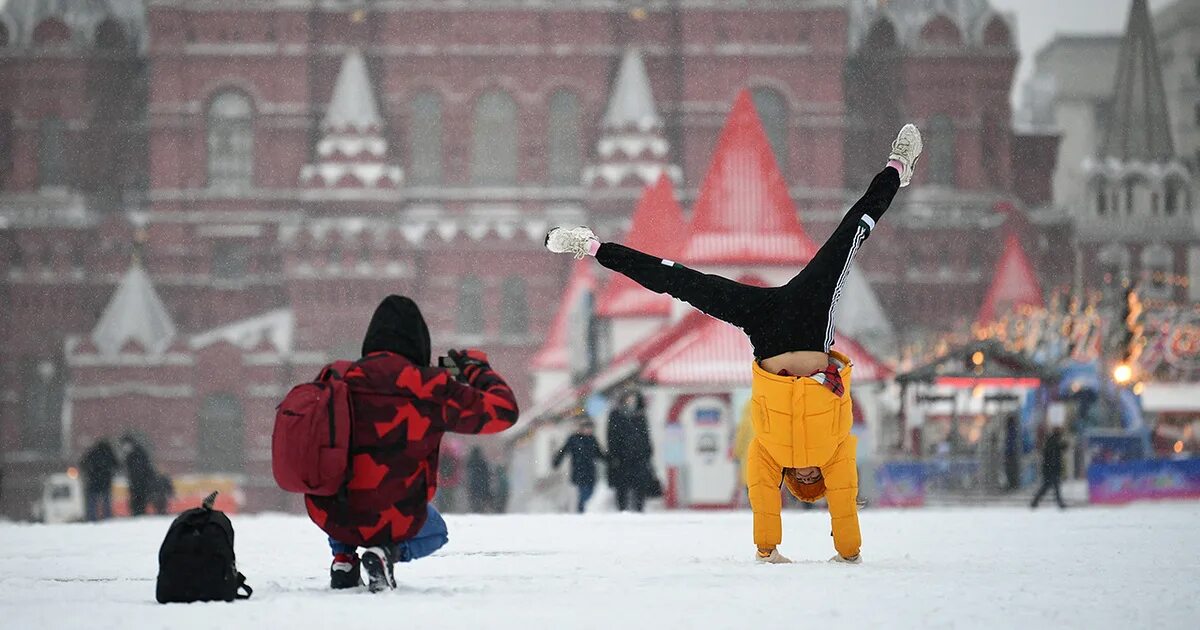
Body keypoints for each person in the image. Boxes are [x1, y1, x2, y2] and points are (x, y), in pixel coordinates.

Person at [545, 124, 922, 564]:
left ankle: (591, 247)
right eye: (809, 476)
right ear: (817, 475)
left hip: (764, 328)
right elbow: (844, 496)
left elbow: (763, 493)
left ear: (793, 480)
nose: (803, 471)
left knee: (681, 281)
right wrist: (848, 551)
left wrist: (768, 549)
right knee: (853, 228)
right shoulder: (835, 453)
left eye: (799, 478)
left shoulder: (770, 454)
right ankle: (897, 166)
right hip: (811, 317)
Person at [306, 295, 520, 592]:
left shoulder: (338, 377)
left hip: (333, 513)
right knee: (435, 532)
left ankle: (343, 557)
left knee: (347, 489)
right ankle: (385, 554)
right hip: (398, 514)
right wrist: (475, 371)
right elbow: (504, 411)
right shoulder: (432, 387)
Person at [606, 390, 654, 512]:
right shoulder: (615, 415)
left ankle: (639, 508)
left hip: (640, 456)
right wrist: (613, 454)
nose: (631, 401)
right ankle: (622, 509)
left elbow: (645, 435)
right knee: (622, 484)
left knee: (640, 483)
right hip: (621, 456)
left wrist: (648, 451)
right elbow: (611, 435)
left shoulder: (641, 415)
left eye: (634, 398)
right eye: (629, 398)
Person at [553, 417, 607, 513]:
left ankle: (584, 509)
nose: (589, 430)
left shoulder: (592, 439)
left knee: (591, 492)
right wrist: (557, 461)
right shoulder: (573, 439)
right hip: (578, 470)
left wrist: (610, 460)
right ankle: (581, 510)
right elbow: (563, 451)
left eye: (590, 428)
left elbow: (599, 454)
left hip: (590, 471)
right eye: (587, 428)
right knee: (583, 492)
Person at [79, 439, 118, 521]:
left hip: (93, 482)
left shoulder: (93, 452)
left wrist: (89, 472)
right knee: (106, 502)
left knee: (92, 503)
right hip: (106, 482)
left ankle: (91, 518)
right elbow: (117, 465)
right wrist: (109, 472)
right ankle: (107, 518)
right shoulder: (109, 453)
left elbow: (82, 463)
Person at [1031, 425, 1068, 509]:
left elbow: (1059, 448)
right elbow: (1056, 451)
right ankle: (1059, 503)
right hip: (1051, 469)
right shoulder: (1053, 441)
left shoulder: (1052, 441)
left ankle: (1035, 502)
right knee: (1052, 487)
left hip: (1050, 468)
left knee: (1049, 487)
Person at [118, 434, 155, 517]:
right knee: (137, 500)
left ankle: (138, 514)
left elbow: (140, 469)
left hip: (140, 482)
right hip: (137, 482)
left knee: (139, 500)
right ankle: (138, 514)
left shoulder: (136, 453)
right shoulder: (132, 454)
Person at [465, 446, 493, 513]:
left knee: (474, 497)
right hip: (482, 482)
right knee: (481, 496)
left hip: (473, 482)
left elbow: (467, 471)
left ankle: (475, 509)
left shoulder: (470, 460)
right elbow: (487, 472)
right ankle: (480, 509)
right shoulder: (482, 460)